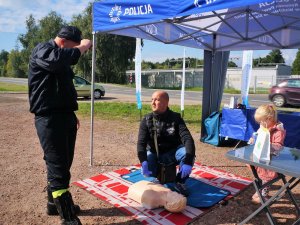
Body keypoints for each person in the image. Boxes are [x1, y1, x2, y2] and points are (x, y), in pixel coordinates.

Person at [28, 26, 92, 225]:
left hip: (64, 116)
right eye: (74, 46)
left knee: (63, 163)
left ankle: (53, 205)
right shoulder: (44, 51)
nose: (76, 52)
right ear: (64, 42)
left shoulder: (59, 56)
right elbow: (59, 61)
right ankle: (68, 218)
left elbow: (63, 87)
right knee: (58, 167)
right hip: (49, 119)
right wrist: (82, 47)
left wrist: (70, 113)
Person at [137, 90, 195, 196]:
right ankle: (154, 180)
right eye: (152, 99)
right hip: (154, 153)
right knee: (147, 163)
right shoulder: (146, 120)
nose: (153, 103)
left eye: (157, 100)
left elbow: (188, 139)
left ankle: (179, 182)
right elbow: (141, 143)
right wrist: (143, 161)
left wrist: (188, 160)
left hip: (173, 152)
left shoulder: (176, 118)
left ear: (166, 103)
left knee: (187, 154)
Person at [248, 104, 286, 204]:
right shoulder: (264, 126)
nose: (260, 123)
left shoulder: (279, 131)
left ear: (269, 119)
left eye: (261, 121)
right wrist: (253, 138)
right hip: (261, 157)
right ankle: (260, 189)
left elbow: (278, 146)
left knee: (266, 176)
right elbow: (257, 135)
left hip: (272, 159)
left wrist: (266, 144)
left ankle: (264, 194)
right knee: (257, 172)